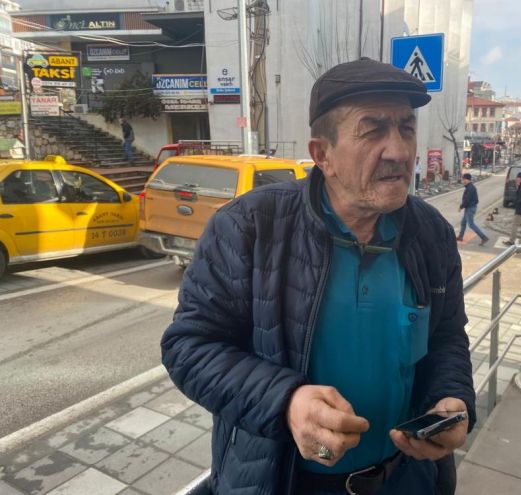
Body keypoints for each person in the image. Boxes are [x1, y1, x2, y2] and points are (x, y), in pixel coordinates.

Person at [161, 57, 475, 495]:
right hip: (284, 482)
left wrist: (452, 397)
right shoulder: (248, 226)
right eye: (372, 130)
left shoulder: (432, 234)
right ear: (322, 154)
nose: (400, 151)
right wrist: (286, 402)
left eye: (406, 128)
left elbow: (446, 337)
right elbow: (188, 347)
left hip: (407, 478)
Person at [457, 173, 489, 246]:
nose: (463, 181)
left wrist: (461, 207)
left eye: (464, 179)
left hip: (470, 208)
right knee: (463, 222)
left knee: (471, 224)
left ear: (467, 179)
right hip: (469, 208)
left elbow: (467, 200)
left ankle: (484, 237)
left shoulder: (470, 188)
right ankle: (460, 237)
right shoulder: (469, 187)